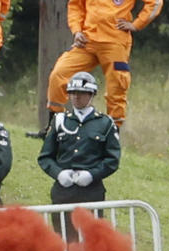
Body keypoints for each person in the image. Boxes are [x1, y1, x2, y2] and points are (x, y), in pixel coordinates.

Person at [45, 0, 165, 128]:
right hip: (87, 40)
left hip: (114, 41)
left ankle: (112, 133)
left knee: (117, 85)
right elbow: (75, 5)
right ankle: (53, 128)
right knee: (59, 74)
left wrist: (136, 24)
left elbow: (155, 2)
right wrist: (77, 30)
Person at [38, 72, 122, 232]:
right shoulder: (60, 120)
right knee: (64, 239)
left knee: (91, 241)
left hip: (91, 192)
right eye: (72, 93)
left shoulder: (105, 123)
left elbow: (112, 159)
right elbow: (45, 157)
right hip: (63, 192)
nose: (76, 97)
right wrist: (59, 174)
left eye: (81, 93)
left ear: (91, 95)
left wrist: (92, 174)